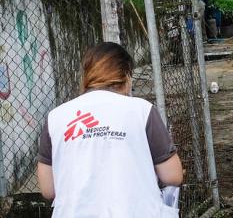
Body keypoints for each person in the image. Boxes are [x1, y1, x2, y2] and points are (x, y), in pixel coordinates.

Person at [36, 42, 183, 217]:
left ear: (87, 76)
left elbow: (48, 189)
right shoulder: (142, 110)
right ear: (126, 77)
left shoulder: (55, 117)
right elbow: (173, 176)